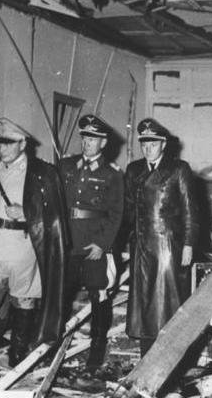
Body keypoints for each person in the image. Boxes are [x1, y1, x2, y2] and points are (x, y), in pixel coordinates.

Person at [0, 118, 68, 373]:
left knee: (25, 301)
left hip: (24, 248)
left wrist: (27, 213)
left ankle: (17, 355)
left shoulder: (43, 173)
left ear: (23, 143)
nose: (3, 148)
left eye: (9, 143)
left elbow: (56, 216)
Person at [122, 118, 199, 356]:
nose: (148, 148)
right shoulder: (134, 170)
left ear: (163, 144)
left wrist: (188, 244)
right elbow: (127, 209)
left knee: (167, 301)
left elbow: (190, 210)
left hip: (168, 246)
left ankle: (170, 357)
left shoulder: (178, 169)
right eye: (144, 143)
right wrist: (124, 243)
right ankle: (146, 356)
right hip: (142, 246)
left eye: (153, 143)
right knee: (144, 301)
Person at [58, 114, 124, 372]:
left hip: (94, 244)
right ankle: (55, 346)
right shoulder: (65, 166)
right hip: (69, 242)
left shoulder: (113, 174)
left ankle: (96, 354)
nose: (88, 143)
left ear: (103, 143)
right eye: (85, 137)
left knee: (100, 296)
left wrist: (103, 244)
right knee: (62, 295)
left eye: (94, 139)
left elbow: (117, 214)